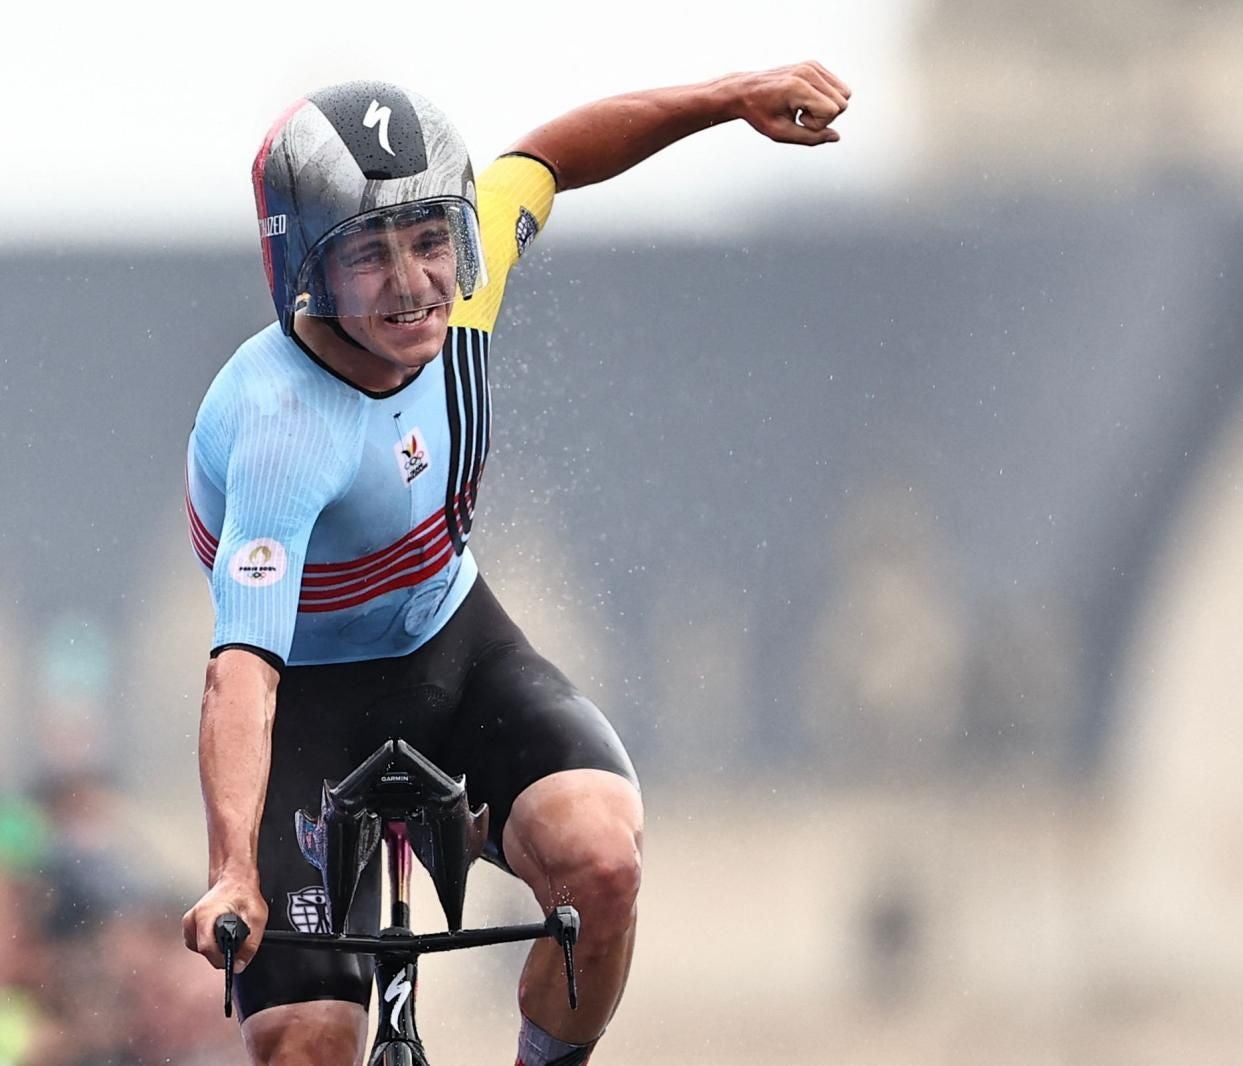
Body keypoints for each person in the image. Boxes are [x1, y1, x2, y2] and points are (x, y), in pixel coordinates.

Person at [180, 63, 850, 1066]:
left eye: (428, 241)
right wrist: (234, 869)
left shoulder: (467, 286)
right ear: (304, 269)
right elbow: (241, 674)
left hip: (452, 647)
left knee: (602, 869)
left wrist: (728, 100)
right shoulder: (281, 429)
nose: (413, 282)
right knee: (307, 1044)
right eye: (368, 254)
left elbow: (552, 155)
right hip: (307, 709)